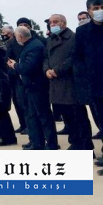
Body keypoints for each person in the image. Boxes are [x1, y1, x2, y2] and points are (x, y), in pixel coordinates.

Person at [45, 14, 92, 151]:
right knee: (67, 118)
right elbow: (45, 57)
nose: (52, 24)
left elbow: (73, 57)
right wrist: (46, 69)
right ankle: (75, 143)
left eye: (55, 22)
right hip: (56, 84)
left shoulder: (73, 37)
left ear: (63, 23)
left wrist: (57, 70)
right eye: (51, 22)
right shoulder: (50, 39)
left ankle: (85, 147)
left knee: (78, 117)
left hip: (70, 84)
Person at [8, 26, 58, 150]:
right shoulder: (28, 46)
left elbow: (28, 67)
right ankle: (37, 142)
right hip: (29, 86)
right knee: (32, 116)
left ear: (20, 36)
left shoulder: (35, 46)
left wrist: (15, 65)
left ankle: (51, 143)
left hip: (37, 86)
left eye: (15, 36)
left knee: (43, 115)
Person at [75, 0, 103, 174]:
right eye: (95, 8)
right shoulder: (83, 31)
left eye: (102, 7)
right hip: (95, 84)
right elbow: (78, 57)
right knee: (101, 121)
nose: (99, 10)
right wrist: (85, 74)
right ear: (89, 11)